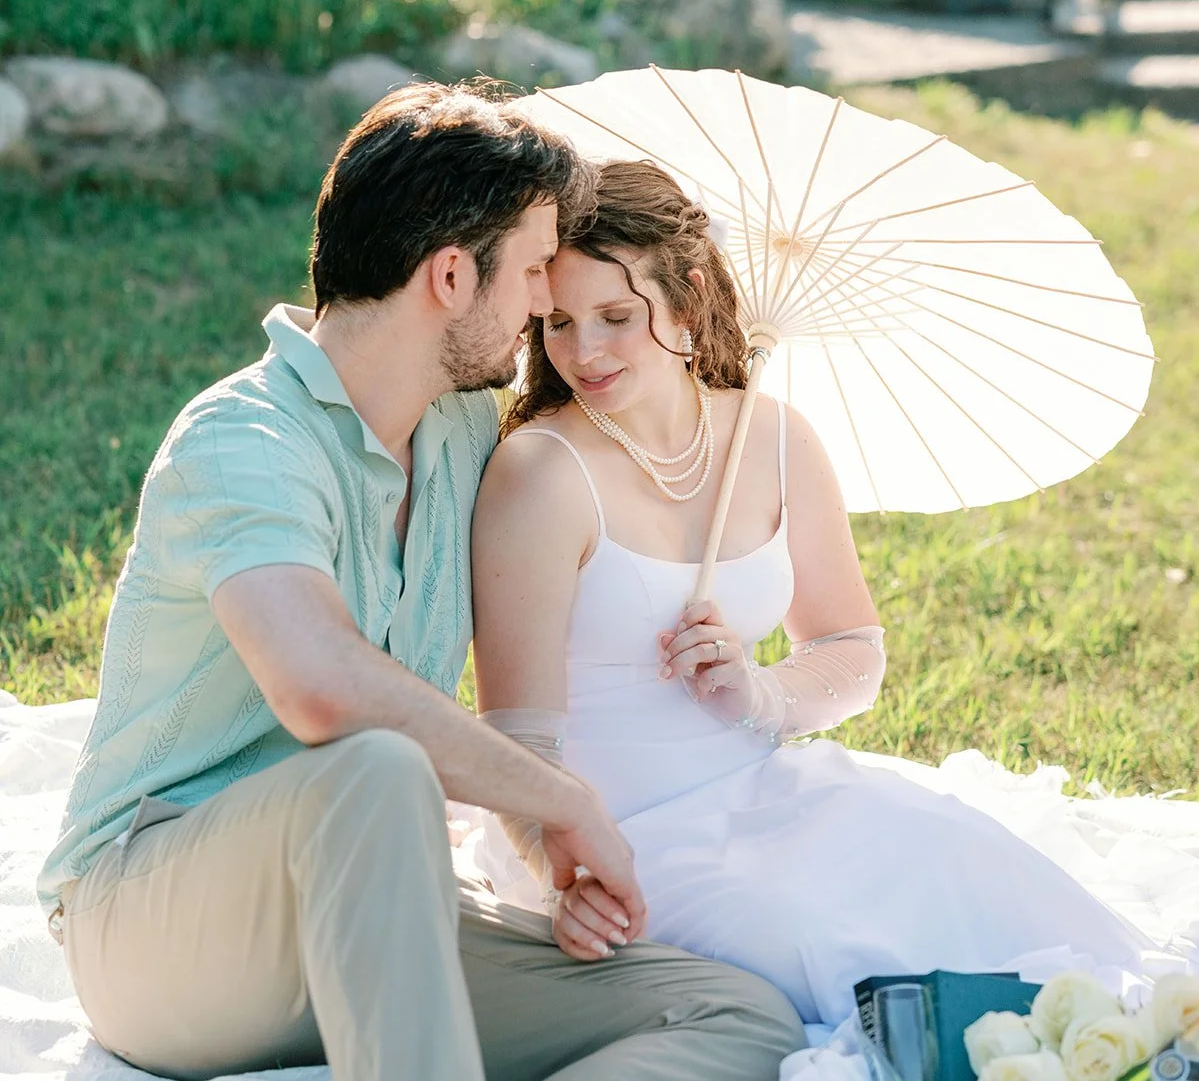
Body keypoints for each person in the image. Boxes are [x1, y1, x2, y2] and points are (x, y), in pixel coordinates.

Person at [37, 86, 805, 1081]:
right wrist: (562, 801)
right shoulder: (242, 439)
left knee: (733, 1012)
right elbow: (322, 688)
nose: (543, 303)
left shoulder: (459, 439)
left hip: (374, 903)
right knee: (375, 764)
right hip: (155, 933)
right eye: (534, 271)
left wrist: (545, 846)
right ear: (450, 274)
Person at [469, 157, 1154, 1027]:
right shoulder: (540, 474)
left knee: (978, 870)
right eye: (558, 323)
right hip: (616, 833)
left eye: (615, 316)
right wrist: (561, 873)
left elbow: (851, 650)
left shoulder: (775, 438)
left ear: (684, 297)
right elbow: (515, 738)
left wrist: (758, 693)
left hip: (766, 793)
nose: (583, 352)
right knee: (823, 945)